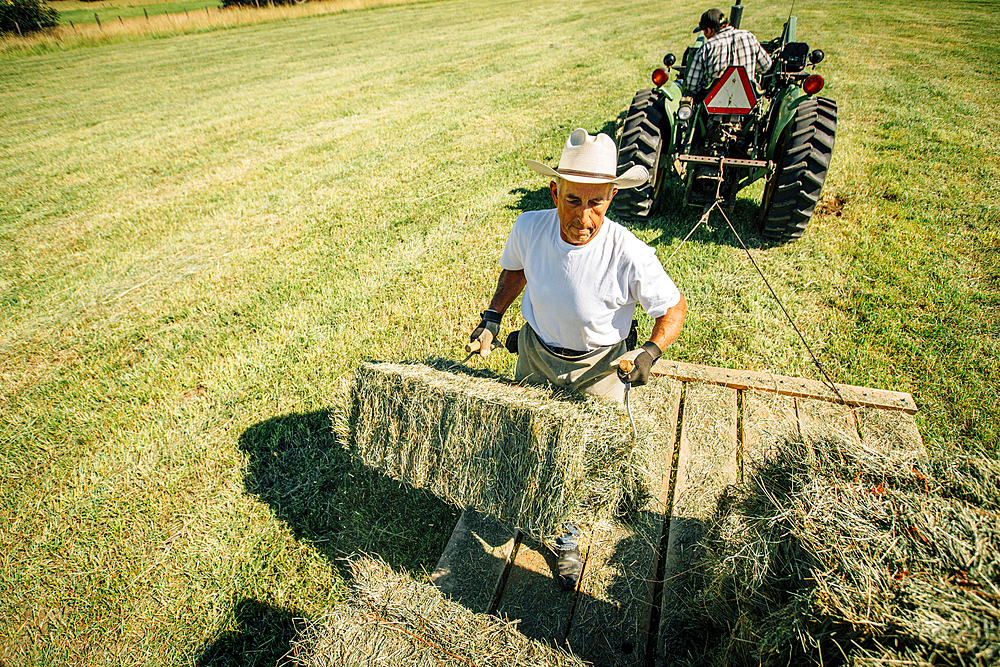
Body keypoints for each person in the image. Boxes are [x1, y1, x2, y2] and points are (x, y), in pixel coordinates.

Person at [468, 127, 687, 590]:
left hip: (600, 369)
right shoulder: (529, 227)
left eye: (596, 203)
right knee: (529, 438)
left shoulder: (628, 251)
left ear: (610, 196)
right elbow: (516, 271)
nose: (583, 217)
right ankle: (524, 506)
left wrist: (649, 351)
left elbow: (672, 306)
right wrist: (492, 318)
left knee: (581, 460)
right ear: (555, 190)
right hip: (536, 353)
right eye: (572, 201)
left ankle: (566, 536)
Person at [684, 7, 772, 96]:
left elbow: (692, 86)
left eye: (704, 32)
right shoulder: (748, 37)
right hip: (748, 102)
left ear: (709, 30)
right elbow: (766, 65)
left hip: (716, 104)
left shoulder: (707, 47)